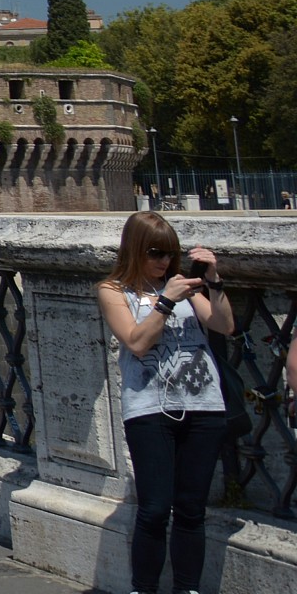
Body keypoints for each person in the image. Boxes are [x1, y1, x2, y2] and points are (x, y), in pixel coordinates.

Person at [97, 212, 227, 594]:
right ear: (135, 249)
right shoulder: (113, 290)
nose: (164, 261)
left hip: (204, 405)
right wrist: (165, 303)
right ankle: (144, 588)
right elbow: (136, 343)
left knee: (191, 510)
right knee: (154, 509)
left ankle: (187, 588)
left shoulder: (187, 287)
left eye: (170, 253)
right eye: (155, 252)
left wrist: (214, 283)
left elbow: (223, 325)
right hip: (149, 409)